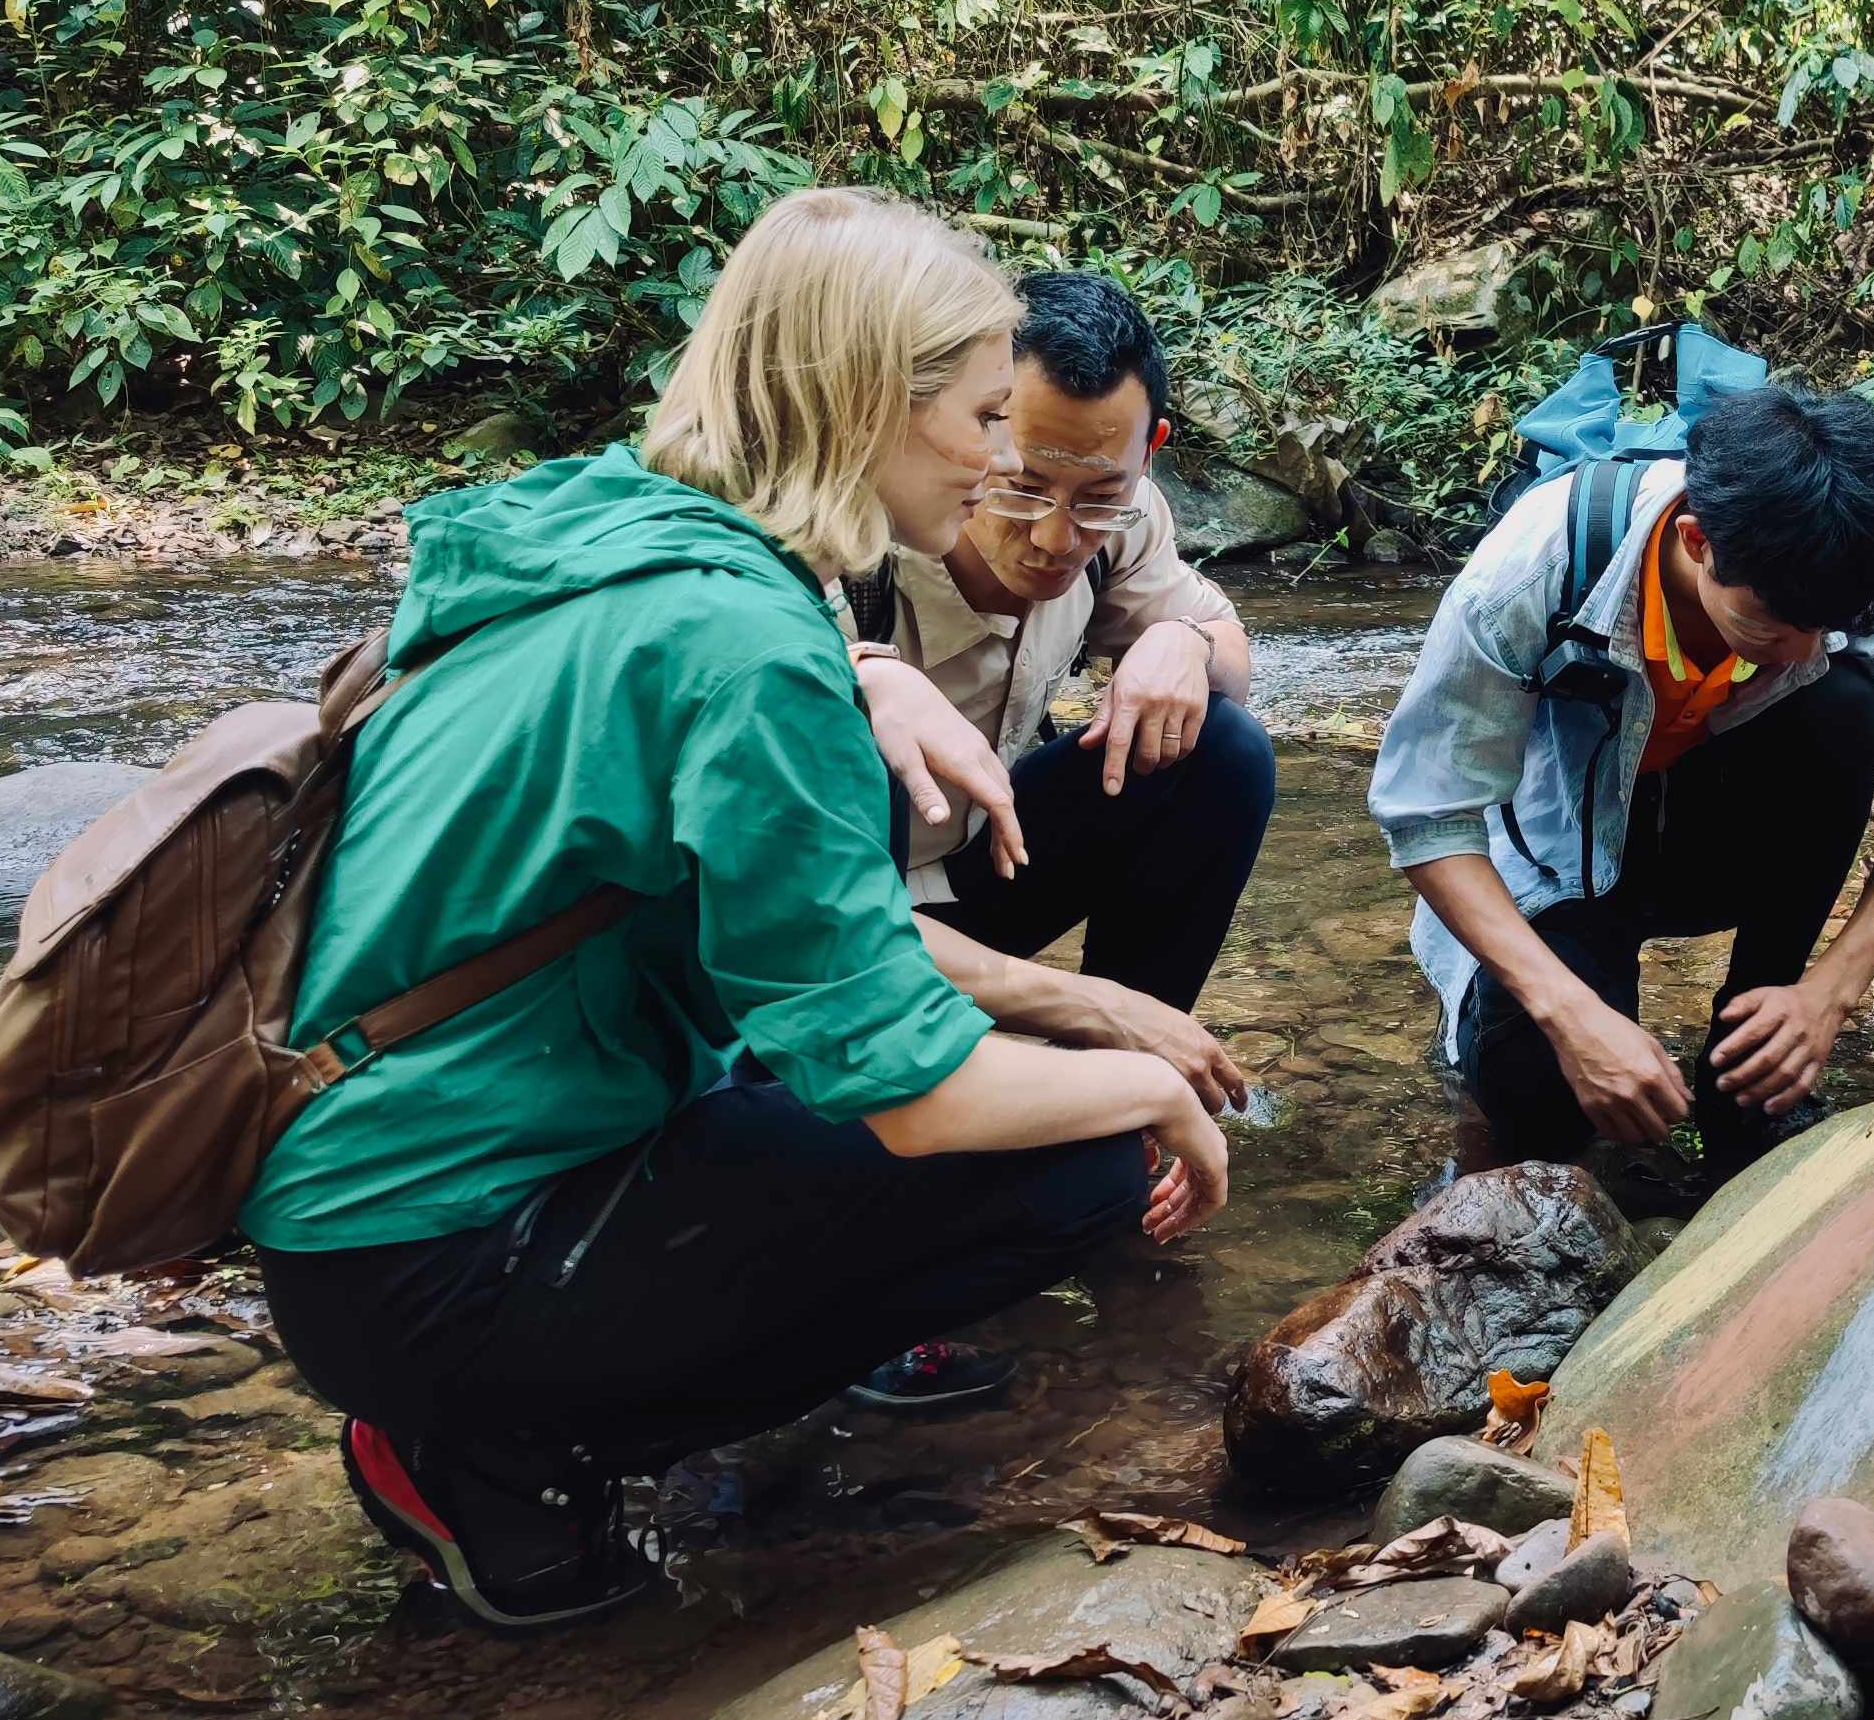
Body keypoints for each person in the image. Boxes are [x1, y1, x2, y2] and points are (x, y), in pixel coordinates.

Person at [240, 188, 1231, 1633]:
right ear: (863, 404)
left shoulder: (604, 532)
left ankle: (519, 1414)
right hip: (438, 1253)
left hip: (360, 1209)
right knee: (1077, 1166)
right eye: (975, 413)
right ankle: (506, 1448)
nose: (1003, 454)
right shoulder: (749, 644)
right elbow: (906, 1090)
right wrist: (1148, 1077)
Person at [826, 270, 1271, 1408]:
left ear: (1147, 450)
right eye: (1020, 484)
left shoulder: (1122, 520)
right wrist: (864, 675)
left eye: (1096, 493)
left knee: (1219, 750)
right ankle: (858, 1249)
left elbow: (1219, 640)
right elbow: (785, 914)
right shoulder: (851, 539)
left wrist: (1182, 638)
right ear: (963, 427)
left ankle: (1117, 1118)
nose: (1054, 535)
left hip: (975, 867)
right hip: (830, 926)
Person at [1369, 386, 1874, 1175]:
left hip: (1712, 835)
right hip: (1567, 857)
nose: (1799, 651)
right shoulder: (1528, 573)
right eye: (1768, 626)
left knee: (1839, 701)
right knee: (1544, 1102)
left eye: (1821, 629)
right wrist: (1572, 1014)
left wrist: (1826, 994)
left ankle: (1751, 1058)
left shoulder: (1842, 576)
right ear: (1696, 541)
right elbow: (1428, 817)